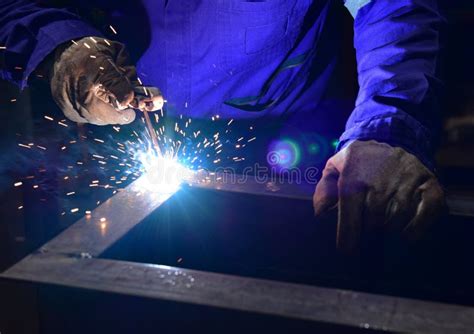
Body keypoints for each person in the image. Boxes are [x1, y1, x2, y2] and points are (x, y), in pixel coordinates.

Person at [0, 0, 445, 253]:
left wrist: (386, 125)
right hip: (129, 126)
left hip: (301, 137)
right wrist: (61, 48)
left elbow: (393, 4)